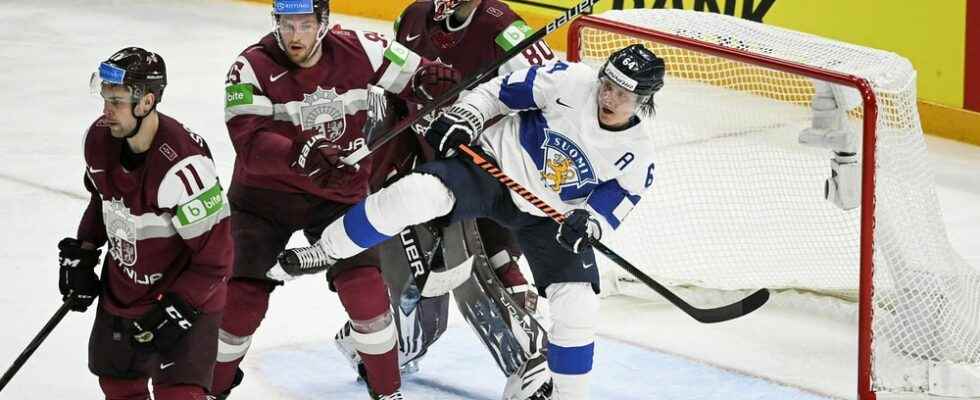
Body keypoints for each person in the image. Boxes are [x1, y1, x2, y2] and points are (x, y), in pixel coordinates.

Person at [273, 43, 665, 400]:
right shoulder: (568, 80)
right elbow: (497, 92)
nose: (608, 97)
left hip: (549, 217)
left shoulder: (637, 153)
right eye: (607, 84)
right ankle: (325, 249)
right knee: (415, 194)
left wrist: (590, 222)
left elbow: (616, 202)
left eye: (623, 93)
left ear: (643, 100)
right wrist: (468, 114)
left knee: (578, 304)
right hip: (491, 171)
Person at [212, 0, 460, 399]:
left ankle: (388, 392)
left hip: (336, 197)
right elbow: (249, 143)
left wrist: (433, 79)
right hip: (264, 202)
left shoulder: (361, 47)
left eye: (305, 25)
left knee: (365, 292)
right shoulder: (250, 66)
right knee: (242, 300)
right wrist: (300, 153)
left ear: (323, 23)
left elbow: (416, 73)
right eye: (286, 25)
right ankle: (209, 389)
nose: (294, 36)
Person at [333, 1, 559, 398]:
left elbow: (552, 95)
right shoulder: (413, 17)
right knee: (422, 307)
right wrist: (384, 166)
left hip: (486, 172)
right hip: (420, 168)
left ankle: (530, 362)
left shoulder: (504, 28)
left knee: (482, 265)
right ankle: (376, 339)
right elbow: (390, 97)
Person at [58, 47, 233, 399]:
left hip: (185, 303)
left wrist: (180, 307)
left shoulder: (184, 168)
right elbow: (102, 200)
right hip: (123, 293)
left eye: (117, 101)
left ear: (146, 101)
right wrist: (85, 250)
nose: (106, 111)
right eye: (105, 99)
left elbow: (217, 260)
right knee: (118, 385)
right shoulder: (98, 140)